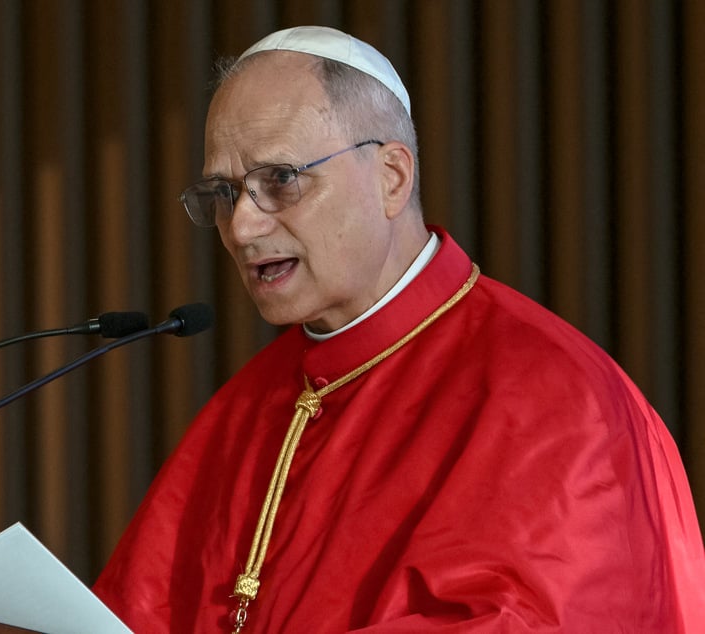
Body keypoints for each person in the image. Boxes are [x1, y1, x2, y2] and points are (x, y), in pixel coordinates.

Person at [93, 25, 705, 632]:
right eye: (224, 193)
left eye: (279, 180)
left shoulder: (554, 395)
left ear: (392, 176)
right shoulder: (246, 406)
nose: (243, 227)